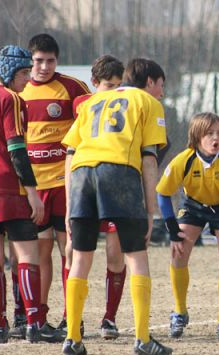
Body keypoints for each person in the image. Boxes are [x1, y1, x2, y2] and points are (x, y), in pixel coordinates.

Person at [61, 58, 171, 355]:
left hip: (82, 174)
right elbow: (149, 160)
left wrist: (71, 205)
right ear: (148, 83)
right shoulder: (147, 103)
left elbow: (69, 155)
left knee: (81, 258)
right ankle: (143, 339)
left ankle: (72, 338)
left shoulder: (93, 102)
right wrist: (151, 212)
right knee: (136, 256)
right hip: (119, 173)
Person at [21, 33, 90, 342]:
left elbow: (97, 106)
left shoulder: (72, 88)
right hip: (33, 188)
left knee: (70, 250)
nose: (44, 67)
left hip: (65, 184)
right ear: (30, 60)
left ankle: (71, 317)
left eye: (50, 61)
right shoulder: (17, 91)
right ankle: (40, 314)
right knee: (39, 252)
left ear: (57, 60)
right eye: (38, 61)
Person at [157, 112, 219, 340]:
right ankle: (179, 312)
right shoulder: (184, 159)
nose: (215, 138)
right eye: (209, 134)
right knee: (178, 252)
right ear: (197, 136)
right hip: (194, 205)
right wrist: (172, 230)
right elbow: (163, 192)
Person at [70, 55, 126, 340]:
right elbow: (73, 146)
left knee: (115, 254)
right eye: (108, 85)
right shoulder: (82, 105)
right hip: (86, 184)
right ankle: (73, 321)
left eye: (119, 85)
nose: (114, 90)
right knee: (78, 254)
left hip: (115, 184)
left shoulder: (125, 104)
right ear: (94, 83)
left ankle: (109, 318)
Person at [0, 45, 44, 343]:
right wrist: (33, 194)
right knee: (27, 255)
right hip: (10, 187)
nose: (29, 78)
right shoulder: (10, 99)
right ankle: (32, 322)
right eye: (24, 72)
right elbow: (16, 150)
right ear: (9, 72)